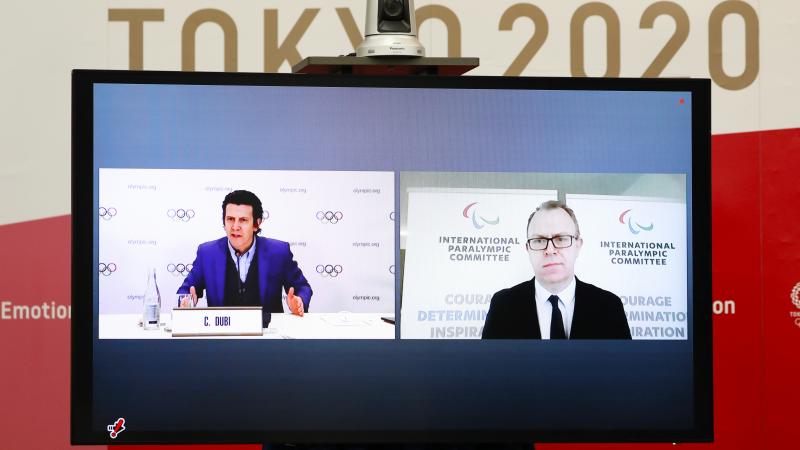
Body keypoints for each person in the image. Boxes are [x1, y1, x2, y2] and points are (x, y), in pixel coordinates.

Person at [482, 200, 630, 339]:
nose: (550, 250)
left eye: (561, 238)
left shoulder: (610, 307)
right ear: (528, 249)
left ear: (578, 245)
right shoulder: (502, 306)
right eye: (539, 240)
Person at [177, 190, 312, 328]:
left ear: (256, 224)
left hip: (267, 336)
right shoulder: (207, 253)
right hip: (222, 337)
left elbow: (302, 287)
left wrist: (299, 301)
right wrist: (186, 301)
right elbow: (186, 290)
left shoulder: (278, 251)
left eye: (243, 220)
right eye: (230, 219)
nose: (235, 227)